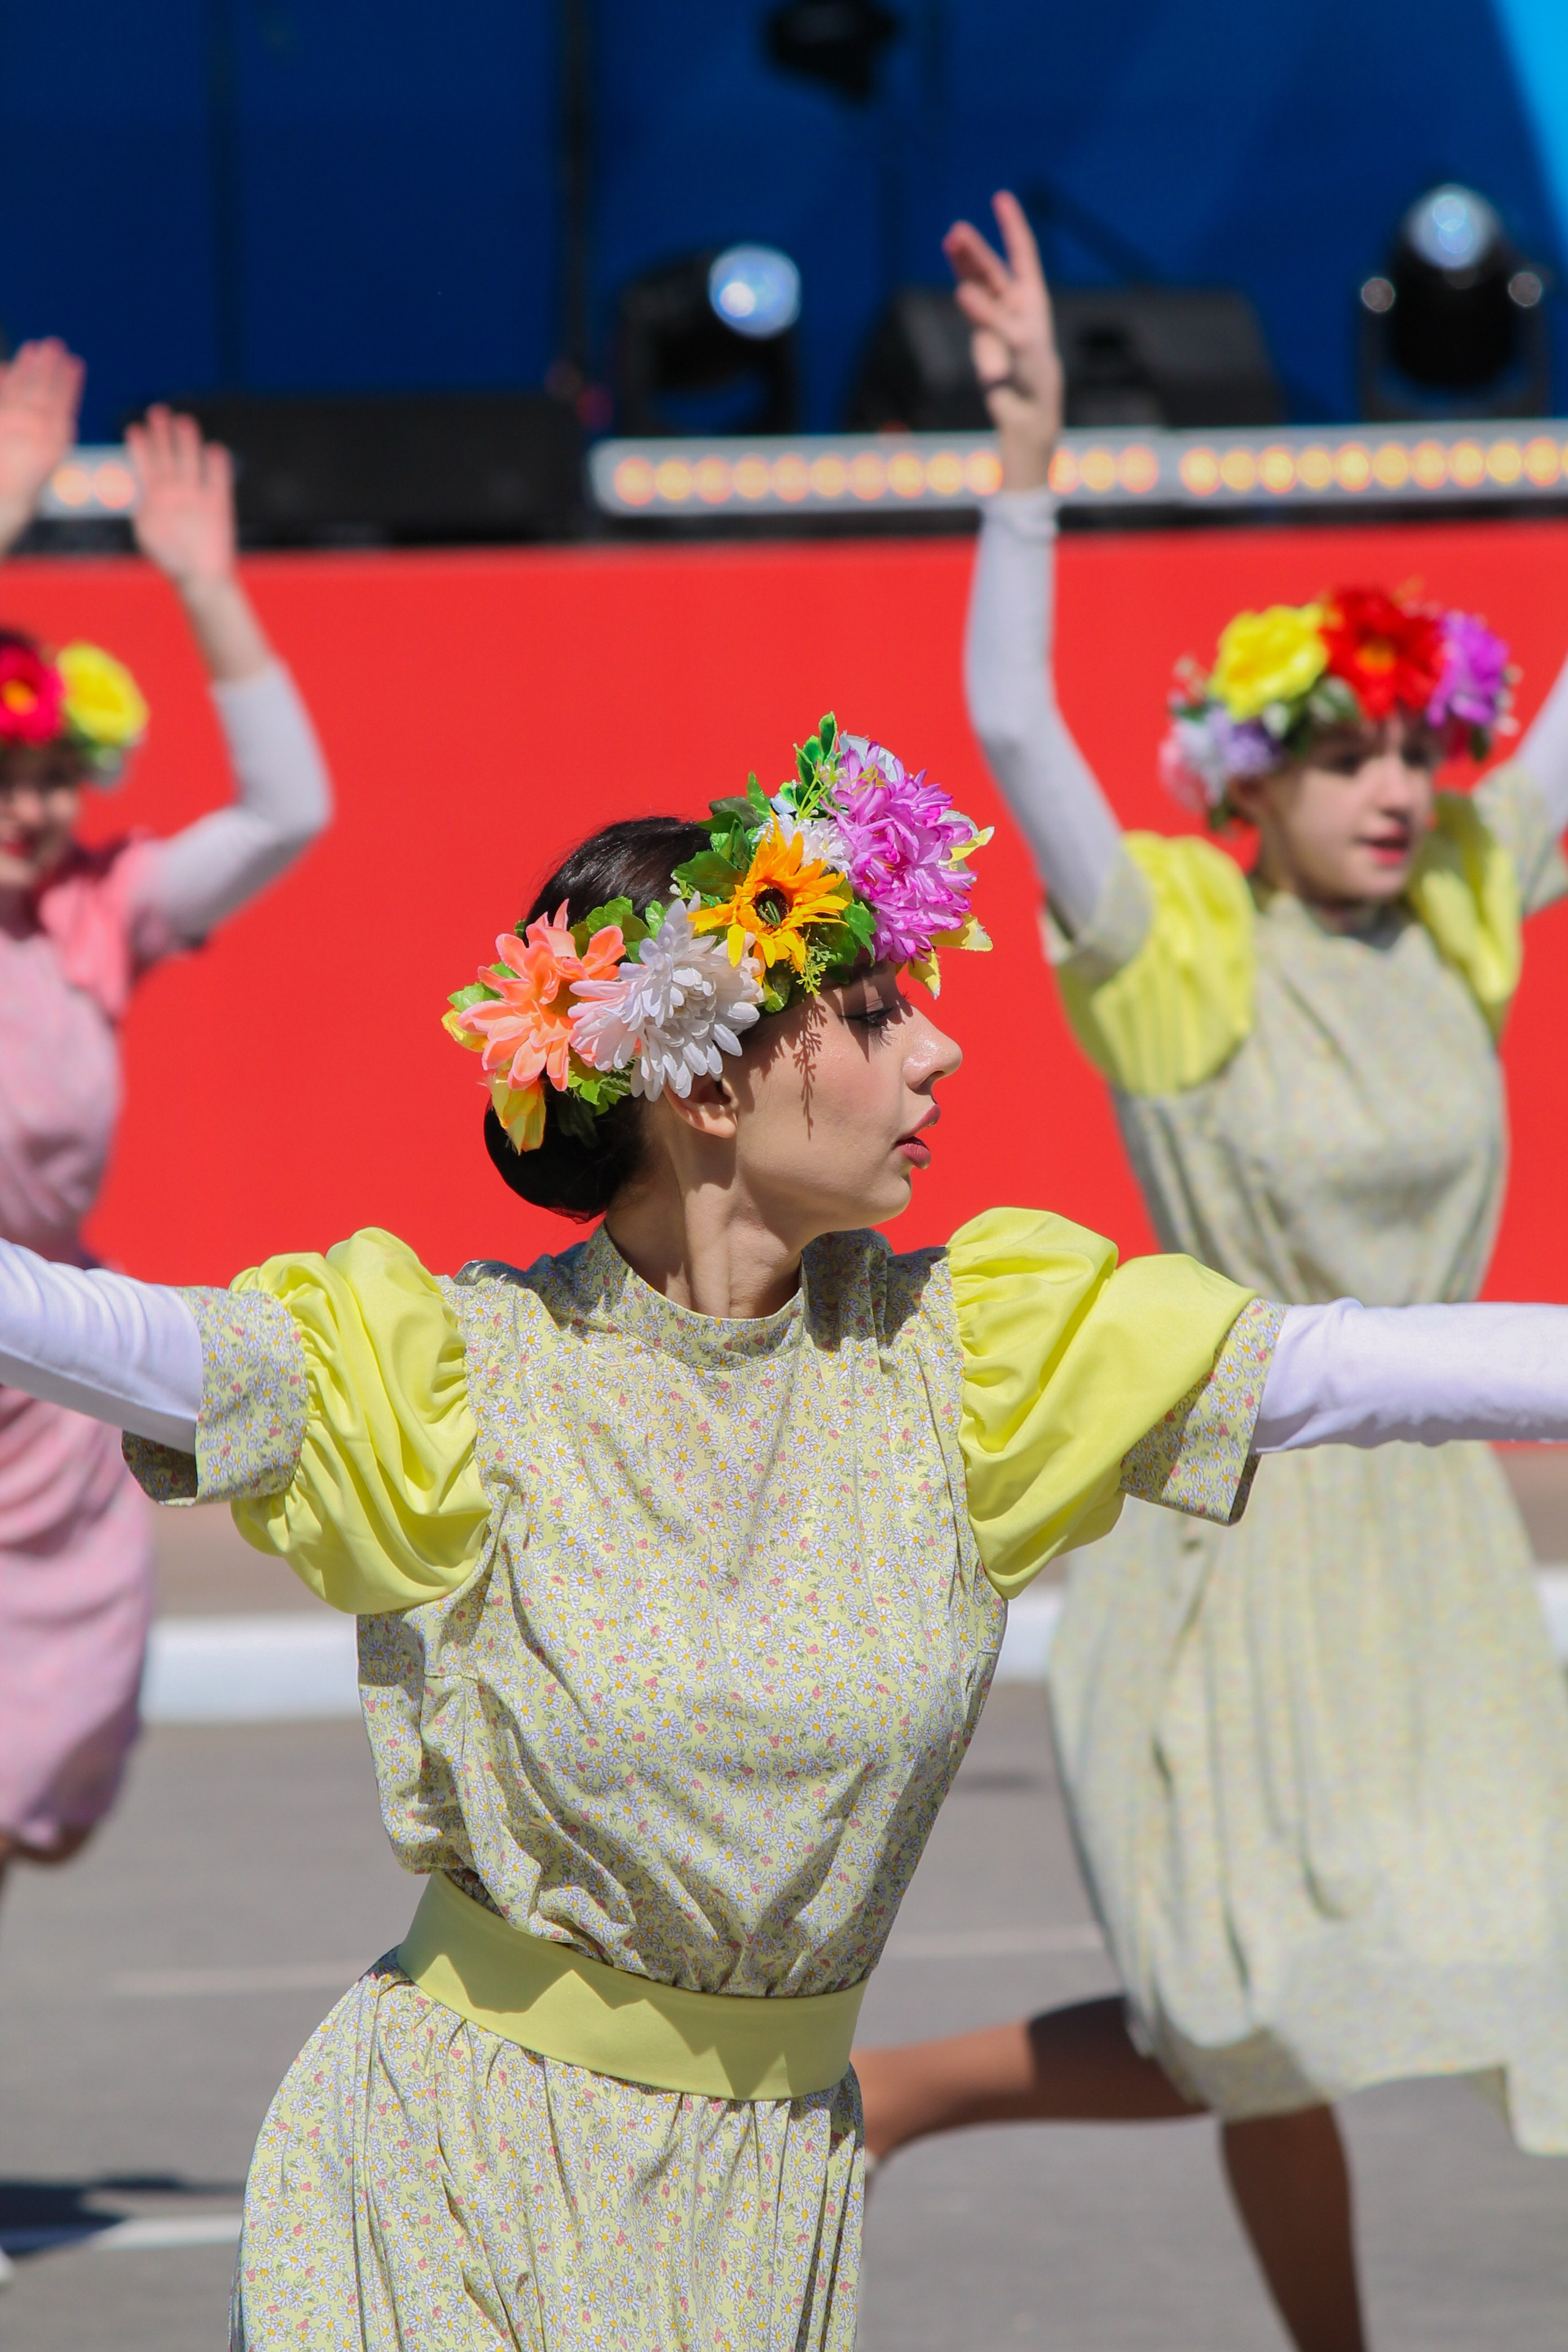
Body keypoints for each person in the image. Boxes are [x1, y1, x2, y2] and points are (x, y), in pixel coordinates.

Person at [2, 731, 1568, 2348]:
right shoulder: (458, 1373)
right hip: (446, 2173)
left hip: (769, 2204)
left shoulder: (971, 1367)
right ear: (701, 1081)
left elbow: (1342, 1364)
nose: (942, 1051)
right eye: (877, 1014)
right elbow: (123, 1340)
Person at [851, 194, 1568, 2352]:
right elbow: (1012, 723)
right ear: (1246, 778)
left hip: (1431, 1544)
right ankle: (900, 2097)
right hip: (1231, 1524)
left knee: (1498, 1954)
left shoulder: (1464, 911)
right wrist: (1028, 457)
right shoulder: (1173, 950)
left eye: (1416, 750)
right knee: (1247, 2002)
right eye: (1339, 751)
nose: (1391, 786)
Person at [0, 340, 333, 1900]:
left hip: (39, 1397)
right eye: (3, 772)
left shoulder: (98, 912)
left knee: (21, 1793)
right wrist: (7, 498)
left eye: (53, 774)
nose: (31, 808)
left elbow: (289, 810)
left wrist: (203, 581)